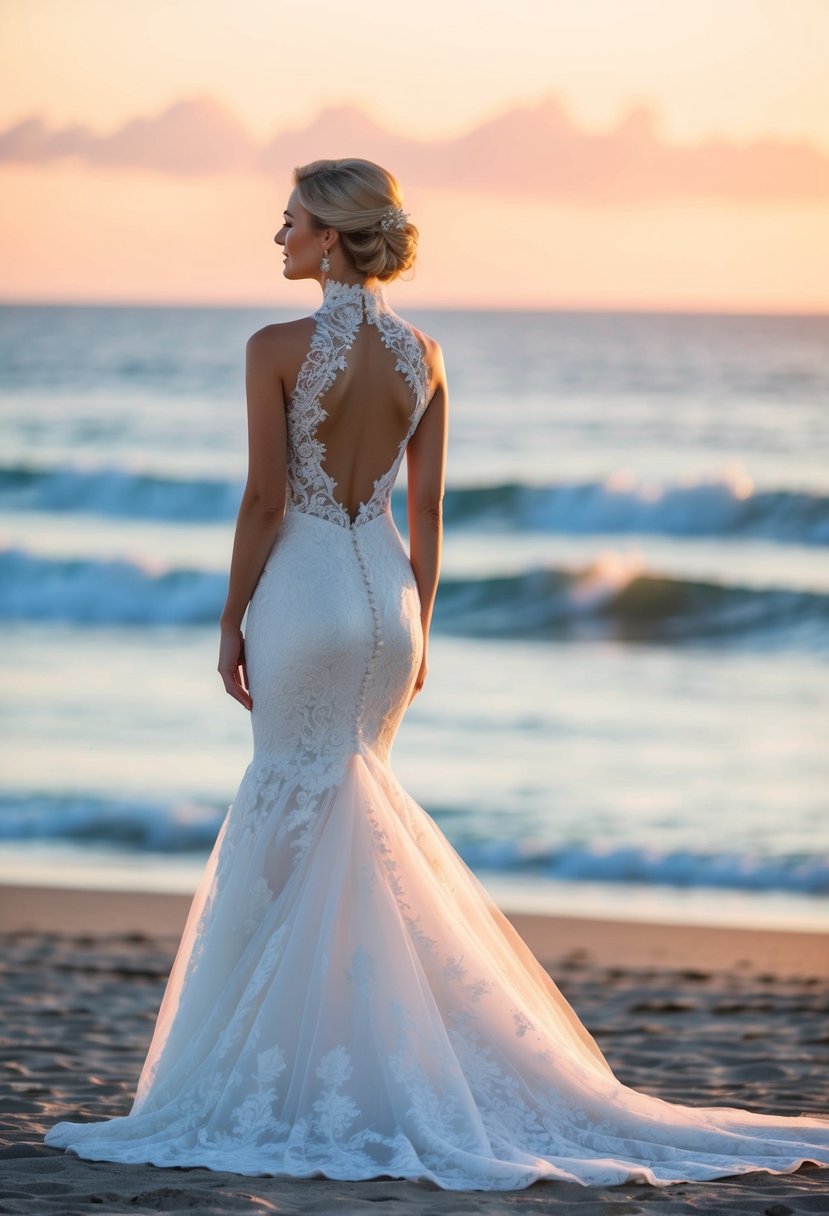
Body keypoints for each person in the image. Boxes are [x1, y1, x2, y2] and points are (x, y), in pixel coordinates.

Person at [44, 158, 829, 1191]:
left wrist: (232, 618)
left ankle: (280, 1069)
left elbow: (267, 502)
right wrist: (425, 629)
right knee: (350, 812)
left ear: (331, 235)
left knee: (291, 808)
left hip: (308, 593)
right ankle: (354, 1049)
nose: (276, 236)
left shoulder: (273, 347)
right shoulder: (424, 353)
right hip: (389, 601)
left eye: (289, 222)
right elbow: (428, 515)